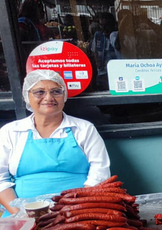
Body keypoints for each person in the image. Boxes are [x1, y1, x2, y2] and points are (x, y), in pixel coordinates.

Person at [0, 70, 111, 217]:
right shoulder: (11, 132)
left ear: (64, 96)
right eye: (39, 92)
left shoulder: (84, 129)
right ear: (27, 96)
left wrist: (79, 209)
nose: (49, 98)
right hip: (21, 213)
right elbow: (1, 180)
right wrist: (21, 214)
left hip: (78, 210)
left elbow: (100, 172)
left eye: (56, 91)